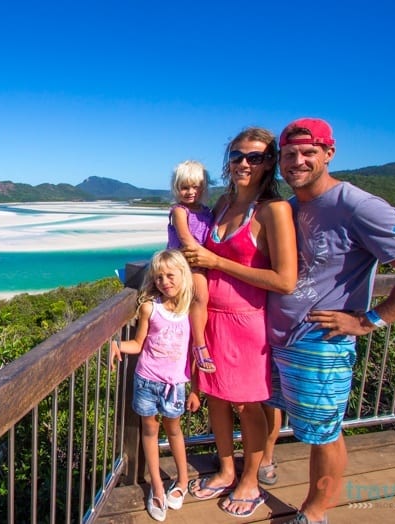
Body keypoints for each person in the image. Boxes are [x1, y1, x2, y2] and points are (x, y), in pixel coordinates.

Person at [267, 117, 395, 524]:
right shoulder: (289, 207)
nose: (298, 162)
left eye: (308, 153)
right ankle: (265, 471)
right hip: (274, 338)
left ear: (329, 153)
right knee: (274, 412)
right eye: (290, 155)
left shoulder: (358, 205)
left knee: (324, 434)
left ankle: (316, 510)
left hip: (319, 343)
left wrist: (369, 319)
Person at [181, 126, 297, 518]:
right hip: (210, 319)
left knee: (249, 404)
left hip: (248, 323)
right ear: (227, 162)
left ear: (270, 164)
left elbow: (285, 279)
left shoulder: (273, 211)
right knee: (216, 396)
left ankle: (250, 478)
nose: (244, 163)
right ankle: (227, 468)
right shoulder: (223, 203)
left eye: (256, 157)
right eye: (237, 156)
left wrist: (217, 262)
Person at [111, 249, 201, 522]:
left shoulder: (190, 309)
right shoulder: (151, 307)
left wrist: (196, 389)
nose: (164, 281)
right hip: (146, 381)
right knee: (149, 431)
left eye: (170, 275)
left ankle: (182, 482)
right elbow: (138, 344)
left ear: (183, 276)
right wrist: (115, 345)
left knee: (174, 430)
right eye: (159, 277)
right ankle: (158, 488)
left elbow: (196, 351)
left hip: (175, 385)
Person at [167, 160, 215, 373]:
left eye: (195, 187)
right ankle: (199, 343)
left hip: (201, 260)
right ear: (176, 188)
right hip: (184, 262)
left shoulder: (206, 211)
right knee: (201, 296)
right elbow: (187, 241)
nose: (190, 192)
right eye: (184, 187)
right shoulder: (179, 210)